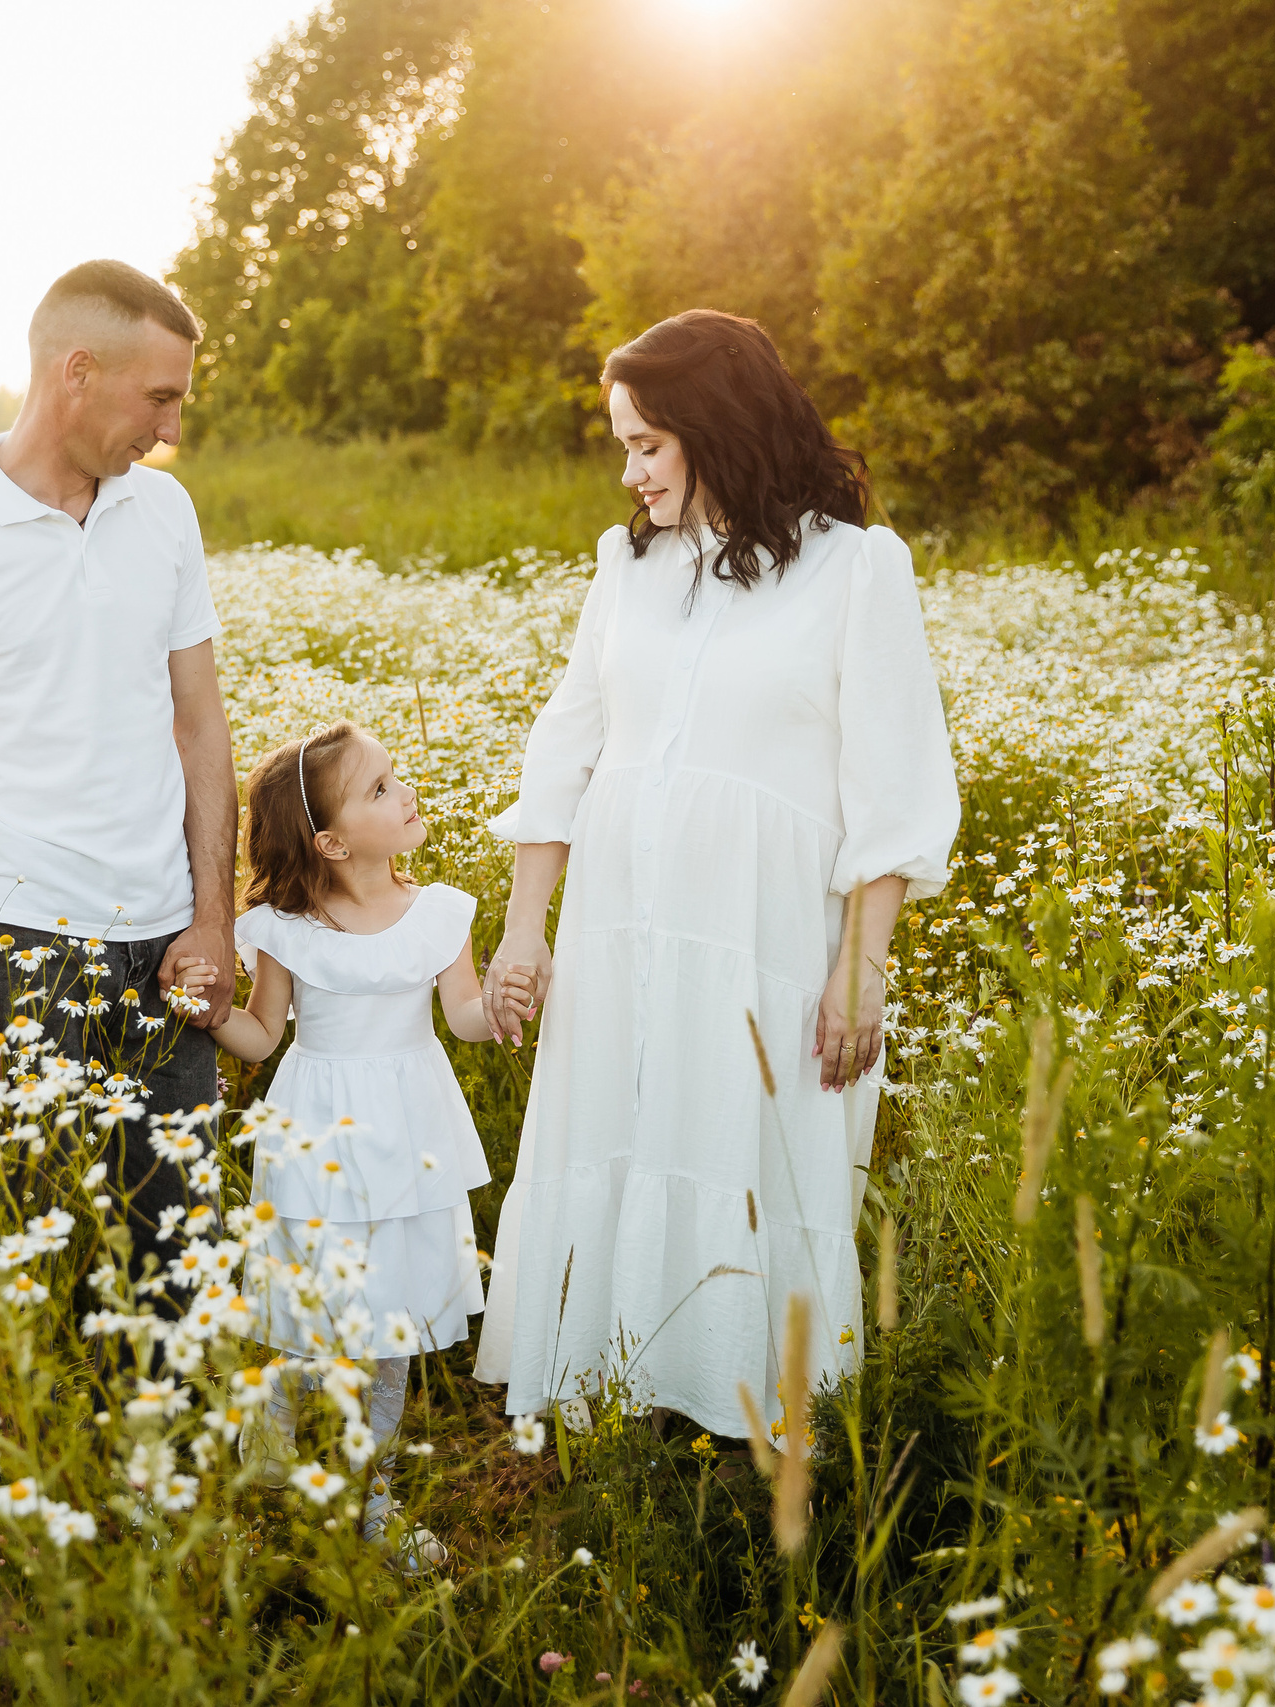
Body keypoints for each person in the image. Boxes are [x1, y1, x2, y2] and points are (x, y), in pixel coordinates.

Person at [474, 309, 961, 1444]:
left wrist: (862, 969)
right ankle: (615, 1422)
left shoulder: (855, 569)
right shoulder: (625, 566)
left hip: (765, 936)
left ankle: (743, 1444)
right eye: (623, 448)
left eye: (647, 444)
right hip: (618, 933)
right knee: (622, 1143)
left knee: (745, 1161)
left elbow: (892, 789)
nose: (630, 472)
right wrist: (524, 929)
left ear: (715, 427)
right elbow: (566, 749)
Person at [0, 259, 237, 1297]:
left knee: (179, 1279)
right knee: (33, 1283)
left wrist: (214, 921)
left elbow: (200, 728)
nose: (167, 428)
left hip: (168, 953)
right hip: (20, 961)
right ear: (76, 371)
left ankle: (172, 1460)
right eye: (158, 397)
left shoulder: (164, 516)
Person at [170, 722, 528, 1569]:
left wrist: (507, 1003)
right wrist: (213, 1013)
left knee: (395, 1322)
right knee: (310, 1318)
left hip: (410, 1136)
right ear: (329, 842)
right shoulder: (285, 929)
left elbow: (467, 1020)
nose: (404, 793)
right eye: (379, 789)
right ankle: (271, 1442)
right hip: (314, 1133)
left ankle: (374, 1494)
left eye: (393, 779)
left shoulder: (440, 913)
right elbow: (264, 1034)